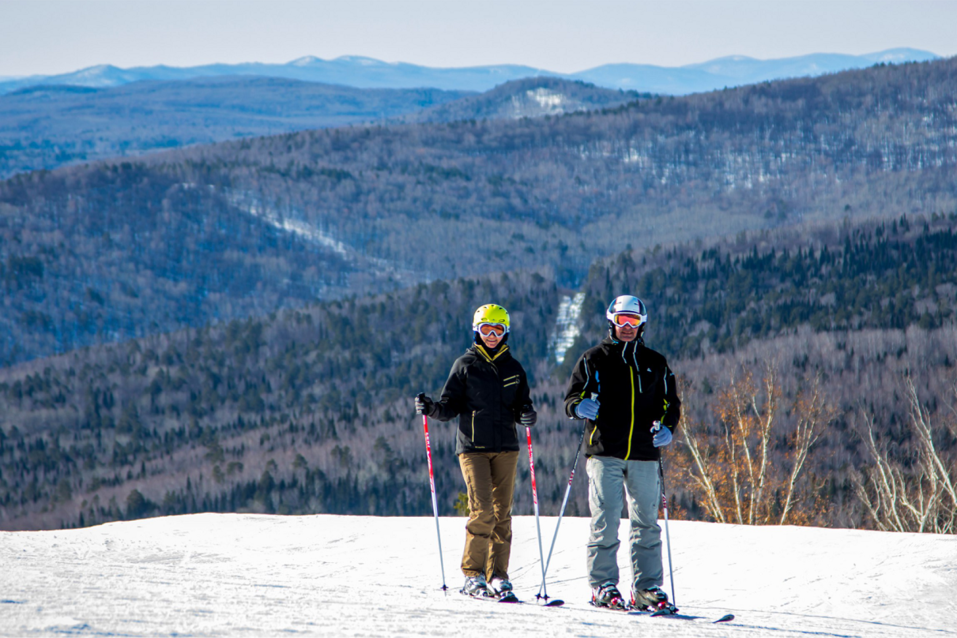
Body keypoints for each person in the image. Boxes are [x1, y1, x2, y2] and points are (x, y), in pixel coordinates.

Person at [563, 295, 681, 611]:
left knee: (646, 523)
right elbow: (571, 398)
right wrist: (578, 407)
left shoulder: (656, 362)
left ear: (642, 323)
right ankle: (603, 586)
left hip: (645, 452)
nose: (627, 326)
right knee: (606, 517)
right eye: (621, 320)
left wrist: (668, 427)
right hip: (604, 451)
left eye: (633, 320)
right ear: (611, 321)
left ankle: (647, 588)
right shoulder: (594, 358)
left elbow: (671, 402)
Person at [415, 303, 537, 599]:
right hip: (472, 448)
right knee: (482, 511)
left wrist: (527, 415)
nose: (492, 335)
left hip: (507, 447)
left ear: (506, 332)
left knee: (502, 515)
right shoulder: (465, 365)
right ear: (476, 331)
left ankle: (498, 576)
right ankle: (473, 575)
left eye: (497, 329)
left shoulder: (514, 368)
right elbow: (449, 406)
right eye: (486, 329)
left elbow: (523, 404)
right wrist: (431, 408)